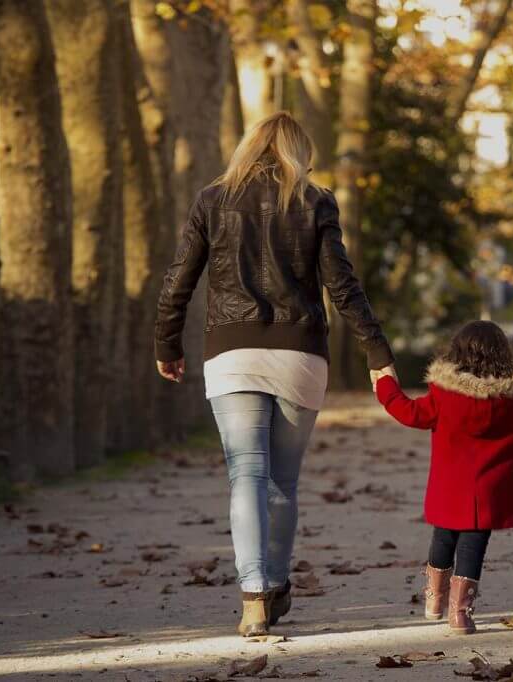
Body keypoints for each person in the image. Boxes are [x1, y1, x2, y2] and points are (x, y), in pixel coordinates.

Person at [154, 111, 395, 637]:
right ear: (299, 152)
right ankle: (278, 583)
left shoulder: (212, 199)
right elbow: (342, 284)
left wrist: (166, 343)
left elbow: (179, 279)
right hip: (299, 354)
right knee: (282, 482)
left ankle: (254, 594)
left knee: (246, 474)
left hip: (231, 351)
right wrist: (377, 352)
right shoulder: (314, 200)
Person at [373, 321, 513, 634]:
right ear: (503, 357)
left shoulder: (442, 398)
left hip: (447, 492)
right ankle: (460, 614)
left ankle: (435, 600)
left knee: (443, 540)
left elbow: (407, 412)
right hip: (488, 496)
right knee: (472, 549)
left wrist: (384, 385)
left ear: (456, 354)